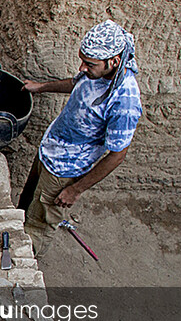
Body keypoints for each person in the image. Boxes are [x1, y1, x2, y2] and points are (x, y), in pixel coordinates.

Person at [18, 20, 142, 257]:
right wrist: (41, 87)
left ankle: (24, 262)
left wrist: (76, 189)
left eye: (89, 64)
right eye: (83, 61)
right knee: (28, 201)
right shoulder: (96, 73)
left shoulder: (124, 100)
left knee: (39, 224)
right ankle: (15, 235)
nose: (82, 68)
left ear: (114, 61)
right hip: (49, 151)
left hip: (65, 169)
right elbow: (76, 84)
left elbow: (117, 155)